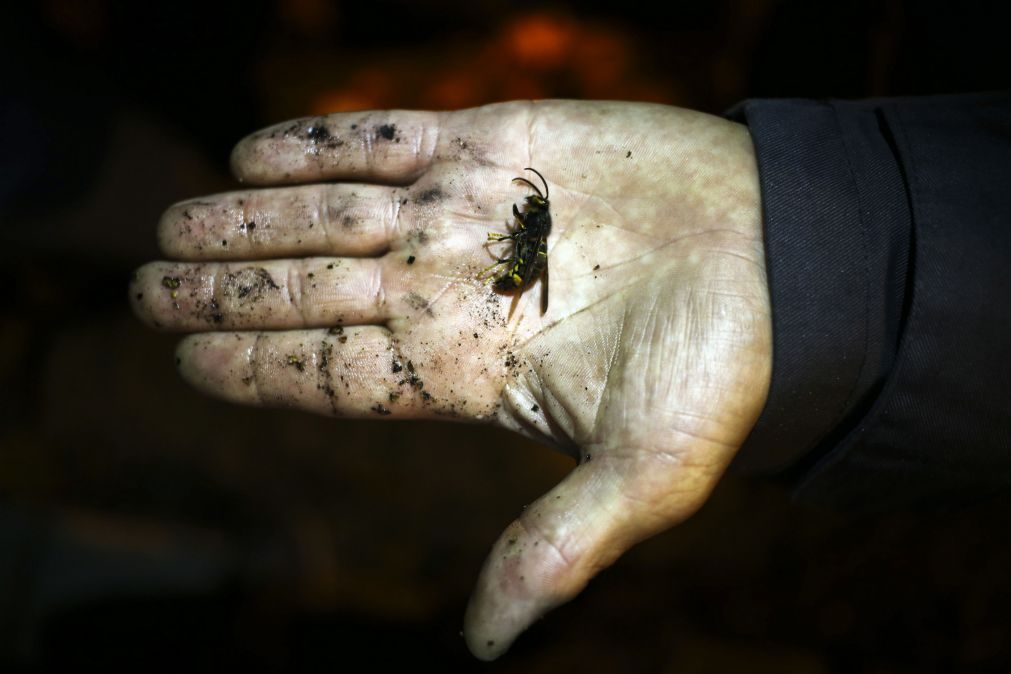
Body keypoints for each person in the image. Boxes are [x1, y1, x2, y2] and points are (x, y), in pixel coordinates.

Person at [130, 94, 1011, 660]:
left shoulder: (531, 240)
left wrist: (822, 268)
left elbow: (527, 241)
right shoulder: (526, 232)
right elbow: (524, 234)